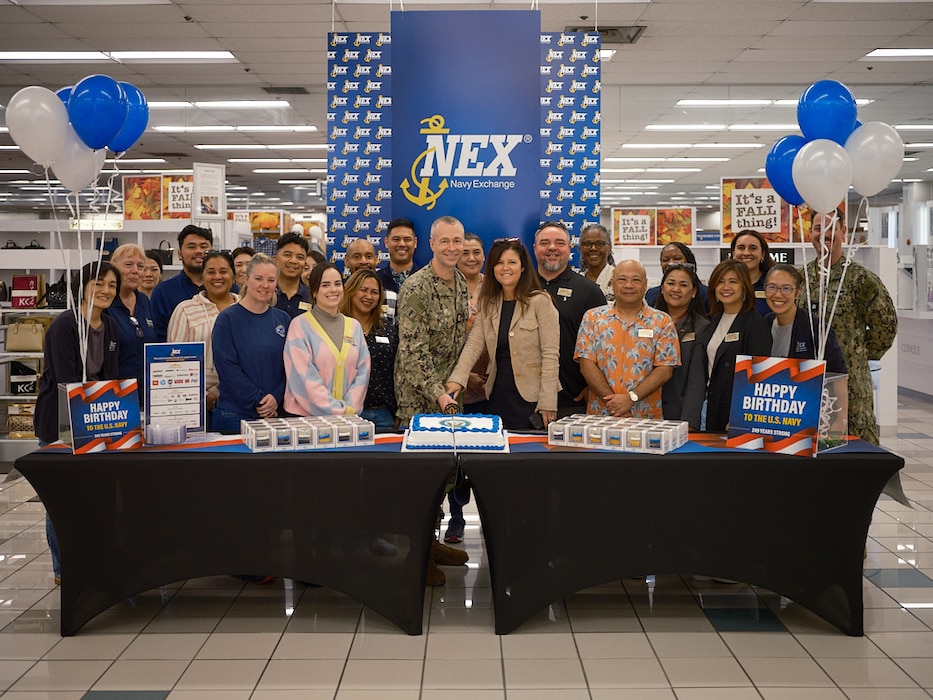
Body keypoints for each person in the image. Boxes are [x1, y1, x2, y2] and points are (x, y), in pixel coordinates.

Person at [394, 215, 470, 585]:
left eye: (458, 240)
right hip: (419, 400)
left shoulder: (459, 282)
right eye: (446, 241)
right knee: (421, 480)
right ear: (432, 243)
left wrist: (456, 385)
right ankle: (417, 555)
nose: (453, 247)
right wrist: (440, 393)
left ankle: (434, 542)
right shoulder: (416, 287)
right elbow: (413, 354)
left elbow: (456, 344)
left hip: (447, 398)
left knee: (446, 473)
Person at [35, 261, 121, 584]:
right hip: (60, 424)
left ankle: (93, 560)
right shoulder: (65, 326)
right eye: (98, 283)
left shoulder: (110, 326)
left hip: (99, 422)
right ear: (81, 285)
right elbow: (65, 380)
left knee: (94, 498)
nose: (106, 291)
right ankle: (63, 569)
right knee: (62, 499)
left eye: (112, 285)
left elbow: (111, 378)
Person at [803, 210, 897, 444]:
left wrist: (857, 355)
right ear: (810, 233)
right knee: (809, 443)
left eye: (830, 228)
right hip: (807, 380)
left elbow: (885, 326)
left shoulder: (860, 279)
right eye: (817, 228)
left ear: (843, 232)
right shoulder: (801, 277)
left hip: (851, 382)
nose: (823, 234)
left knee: (858, 442)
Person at [446, 237, 559, 428]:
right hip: (497, 395)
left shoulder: (541, 302)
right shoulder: (489, 303)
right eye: (499, 263)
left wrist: (548, 401)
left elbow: (551, 355)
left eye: (512, 262)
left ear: (523, 267)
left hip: (532, 398)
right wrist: (457, 379)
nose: (505, 268)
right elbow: (474, 344)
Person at [575, 260, 680, 418]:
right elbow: (586, 365)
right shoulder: (592, 318)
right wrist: (614, 404)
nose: (628, 285)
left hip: (645, 416)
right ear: (613, 283)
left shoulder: (663, 322)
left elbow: (665, 369)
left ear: (645, 285)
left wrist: (631, 399)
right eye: (622, 279)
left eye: (636, 280)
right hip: (601, 416)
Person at [533, 221, 606, 416]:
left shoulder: (589, 292)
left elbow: (603, 346)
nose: (552, 248)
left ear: (569, 248)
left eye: (559, 243)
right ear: (534, 248)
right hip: (526, 398)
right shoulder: (521, 288)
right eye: (544, 243)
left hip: (573, 399)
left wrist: (593, 386)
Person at [211, 254, 291, 433]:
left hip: (275, 413)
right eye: (258, 278)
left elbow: (291, 366)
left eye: (271, 280)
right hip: (234, 415)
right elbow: (228, 368)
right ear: (246, 279)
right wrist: (259, 400)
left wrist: (276, 397)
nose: (265, 285)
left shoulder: (283, 319)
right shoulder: (227, 320)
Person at [284, 262, 370, 416]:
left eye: (337, 284)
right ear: (314, 291)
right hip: (307, 422)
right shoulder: (299, 326)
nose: (333, 290)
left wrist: (349, 409)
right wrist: (337, 411)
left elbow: (363, 372)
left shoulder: (354, 327)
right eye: (325, 285)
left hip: (348, 420)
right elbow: (303, 378)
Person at [166, 250, 239, 430]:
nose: (217, 277)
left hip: (238, 401)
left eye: (223, 271)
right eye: (211, 272)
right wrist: (202, 396)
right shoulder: (185, 310)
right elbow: (174, 363)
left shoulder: (245, 309)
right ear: (203, 276)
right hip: (195, 405)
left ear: (234, 276)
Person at [698, 259, 772, 432]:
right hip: (711, 405)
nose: (726, 287)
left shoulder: (755, 324)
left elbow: (758, 377)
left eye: (733, 281)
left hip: (734, 410)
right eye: (720, 282)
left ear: (744, 287)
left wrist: (742, 415)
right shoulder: (713, 321)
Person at [340, 269, 398, 431]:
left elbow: (397, 371)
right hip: (347, 412)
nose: (369, 296)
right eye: (363, 290)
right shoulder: (338, 327)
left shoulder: (388, 329)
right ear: (351, 291)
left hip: (384, 413)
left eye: (374, 292)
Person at [764, 263, 847, 374]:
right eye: (772, 287)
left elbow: (838, 374)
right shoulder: (764, 324)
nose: (778, 294)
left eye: (786, 289)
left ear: (797, 293)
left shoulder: (815, 327)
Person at [655, 263, 710, 428]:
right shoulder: (648, 321)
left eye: (683, 285)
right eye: (671, 283)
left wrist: (689, 422)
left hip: (678, 414)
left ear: (693, 292)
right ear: (662, 288)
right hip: (644, 411)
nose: (676, 289)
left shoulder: (702, 327)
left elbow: (696, 381)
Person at [105, 244, 158, 397]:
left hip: (146, 392)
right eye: (128, 264)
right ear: (113, 267)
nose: (135, 270)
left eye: (140, 266)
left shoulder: (144, 301)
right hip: (114, 393)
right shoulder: (105, 303)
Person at [150, 224, 213, 340]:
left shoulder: (229, 290)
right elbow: (158, 337)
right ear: (179, 254)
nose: (198, 251)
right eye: (191, 247)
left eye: (204, 246)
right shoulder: (163, 293)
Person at [377, 218, 419, 322]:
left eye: (407, 239)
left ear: (415, 243)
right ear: (386, 242)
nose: (401, 244)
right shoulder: (375, 281)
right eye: (396, 239)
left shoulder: (427, 280)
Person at [645, 242, 709, 310]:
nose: (671, 263)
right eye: (665, 260)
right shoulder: (652, 294)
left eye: (677, 258)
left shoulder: (707, 295)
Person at [730, 230, 774, 316]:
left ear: (763, 254)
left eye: (753, 248)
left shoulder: (774, 284)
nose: (746, 253)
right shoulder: (722, 284)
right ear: (733, 253)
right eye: (741, 248)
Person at [273, 232, 311, 319]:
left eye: (300, 257)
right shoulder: (265, 293)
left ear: (305, 264)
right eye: (287, 255)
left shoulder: (312, 296)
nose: (293, 261)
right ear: (275, 259)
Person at [578, 223, 615, 302]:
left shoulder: (620, 278)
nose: (593, 248)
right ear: (580, 249)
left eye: (600, 244)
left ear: (610, 248)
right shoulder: (576, 282)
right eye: (587, 244)